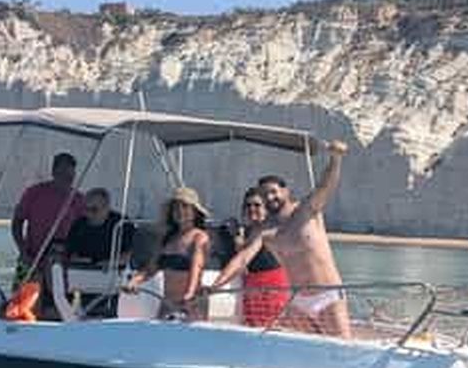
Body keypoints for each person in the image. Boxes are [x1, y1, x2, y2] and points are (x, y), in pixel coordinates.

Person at [209, 141, 351, 337]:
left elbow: (325, 185)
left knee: (341, 344)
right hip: (298, 301)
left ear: (285, 191)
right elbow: (242, 259)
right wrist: (216, 285)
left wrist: (336, 159)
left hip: (327, 295)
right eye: (264, 194)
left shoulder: (307, 210)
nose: (269, 197)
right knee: (305, 348)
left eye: (273, 192)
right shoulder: (265, 231)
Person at [127, 187, 210, 319]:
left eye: (185, 206)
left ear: (194, 212)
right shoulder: (168, 238)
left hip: (191, 305)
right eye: (176, 207)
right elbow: (151, 268)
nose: (180, 211)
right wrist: (135, 280)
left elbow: (197, 267)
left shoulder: (199, 237)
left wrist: (189, 294)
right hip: (167, 304)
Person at [11, 152, 86, 286]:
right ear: (53, 172)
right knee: (21, 294)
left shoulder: (78, 199)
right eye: (62, 173)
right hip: (31, 257)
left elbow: (84, 230)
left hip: (62, 262)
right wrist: (23, 251)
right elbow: (17, 222)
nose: (66, 178)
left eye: (70, 175)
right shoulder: (34, 193)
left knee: (57, 296)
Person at [66, 187, 135, 317]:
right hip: (84, 278)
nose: (89, 214)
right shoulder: (79, 224)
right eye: (86, 209)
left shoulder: (122, 224)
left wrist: (112, 262)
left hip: (114, 280)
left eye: (94, 210)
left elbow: (133, 254)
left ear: (106, 208)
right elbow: (70, 253)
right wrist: (77, 260)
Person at [234, 187, 291, 327]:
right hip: (251, 287)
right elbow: (242, 266)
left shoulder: (272, 230)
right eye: (248, 205)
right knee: (252, 327)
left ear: (266, 209)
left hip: (272, 287)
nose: (251, 209)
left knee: (272, 327)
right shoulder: (244, 233)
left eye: (257, 205)